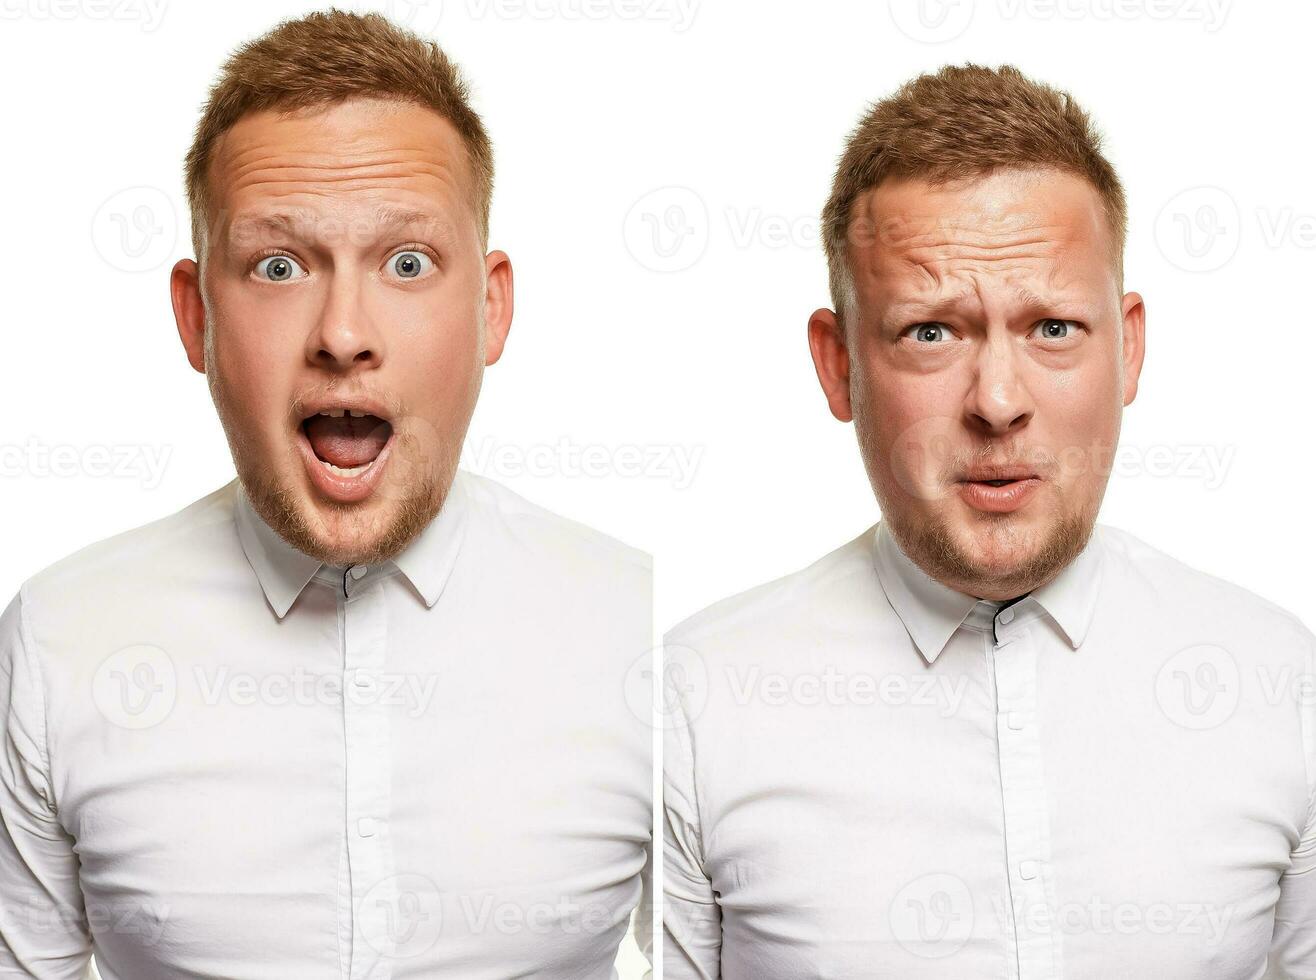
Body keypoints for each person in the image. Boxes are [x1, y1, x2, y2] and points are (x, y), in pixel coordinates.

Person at [0, 11, 651, 978]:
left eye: (406, 263)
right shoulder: (58, 641)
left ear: (491, 307)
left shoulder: (640, 628)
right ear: (196, 317)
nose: (343, 333)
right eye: (278, 266)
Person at [662, 63, 1315, 978]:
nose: (999, 402)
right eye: (932, 331)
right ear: (838, 364)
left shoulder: (1284, 687)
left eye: (1053, 327)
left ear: (1130, 348)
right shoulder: (691, 707)